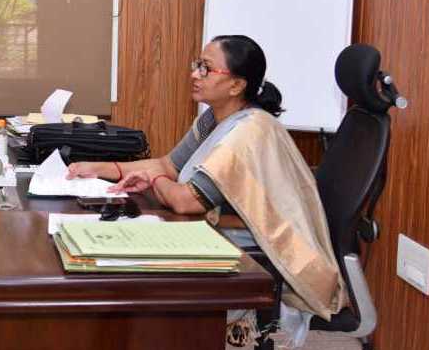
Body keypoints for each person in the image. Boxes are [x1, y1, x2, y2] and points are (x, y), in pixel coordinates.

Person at [67, 35, 346, 321]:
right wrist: (99, 168)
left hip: (259, 251)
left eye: (206, 69)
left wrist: (153, 179)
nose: (194, 74)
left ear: (236, 85)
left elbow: (186, 201)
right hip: (221, 230)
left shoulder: (248, 133)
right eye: (197, 65)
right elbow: (169, 165)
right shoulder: (213, 118)